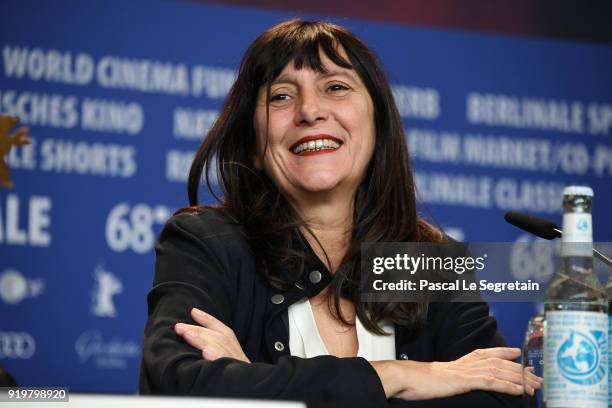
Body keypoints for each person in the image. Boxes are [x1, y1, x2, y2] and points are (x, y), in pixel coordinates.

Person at [139, 19, 541, 407]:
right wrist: (397, 377)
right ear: (253, 147)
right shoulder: (208, 243)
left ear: (378, 127)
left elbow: (502, 394)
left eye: (335, 86)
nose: (310, 111)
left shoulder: (423, 262)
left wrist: (257, 384)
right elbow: (177, 386)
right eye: (281, 95)